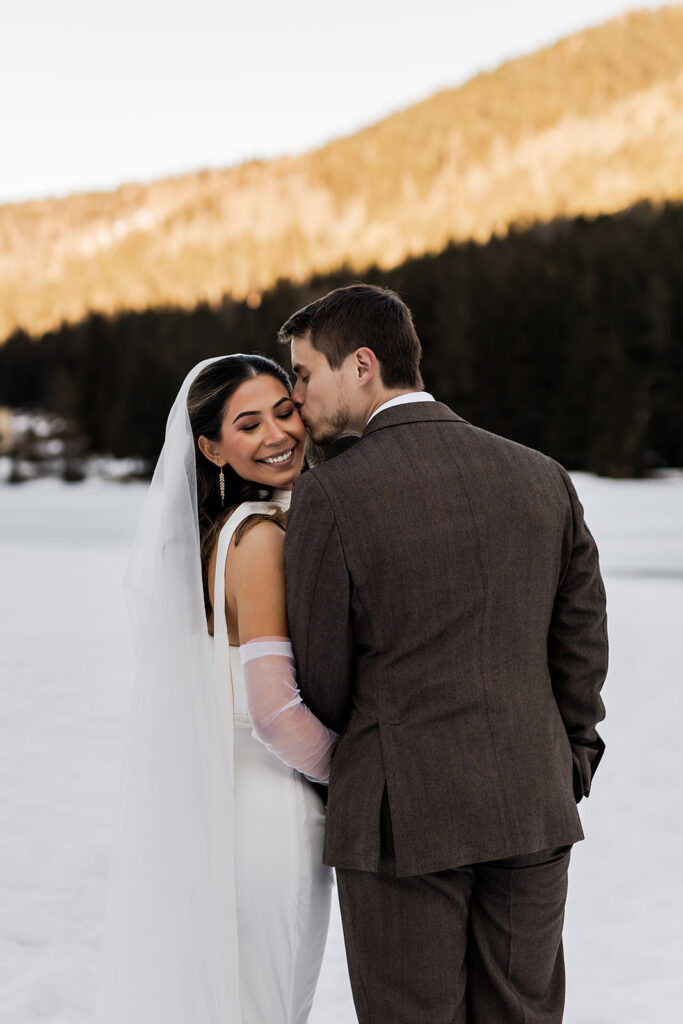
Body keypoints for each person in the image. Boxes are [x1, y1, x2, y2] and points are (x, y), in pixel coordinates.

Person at [278, 284, 608, 1024]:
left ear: (361, 365)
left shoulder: (330, 496)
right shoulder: (541, 476)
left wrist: (364, 779)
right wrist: (568, 763)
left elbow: (322, 681)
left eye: (303, 374)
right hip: (532, 805)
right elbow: (580, 639)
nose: (296, 399)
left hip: (401, 820)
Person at [98, 354, 335, 1024]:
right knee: (271, 1004)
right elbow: (274, 712)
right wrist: (361, 776)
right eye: (248, 424)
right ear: (211, 448)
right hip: (273, 812)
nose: (276, 435)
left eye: (283, 412)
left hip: (233, 804)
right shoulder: (258, 541)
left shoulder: (226, 533)